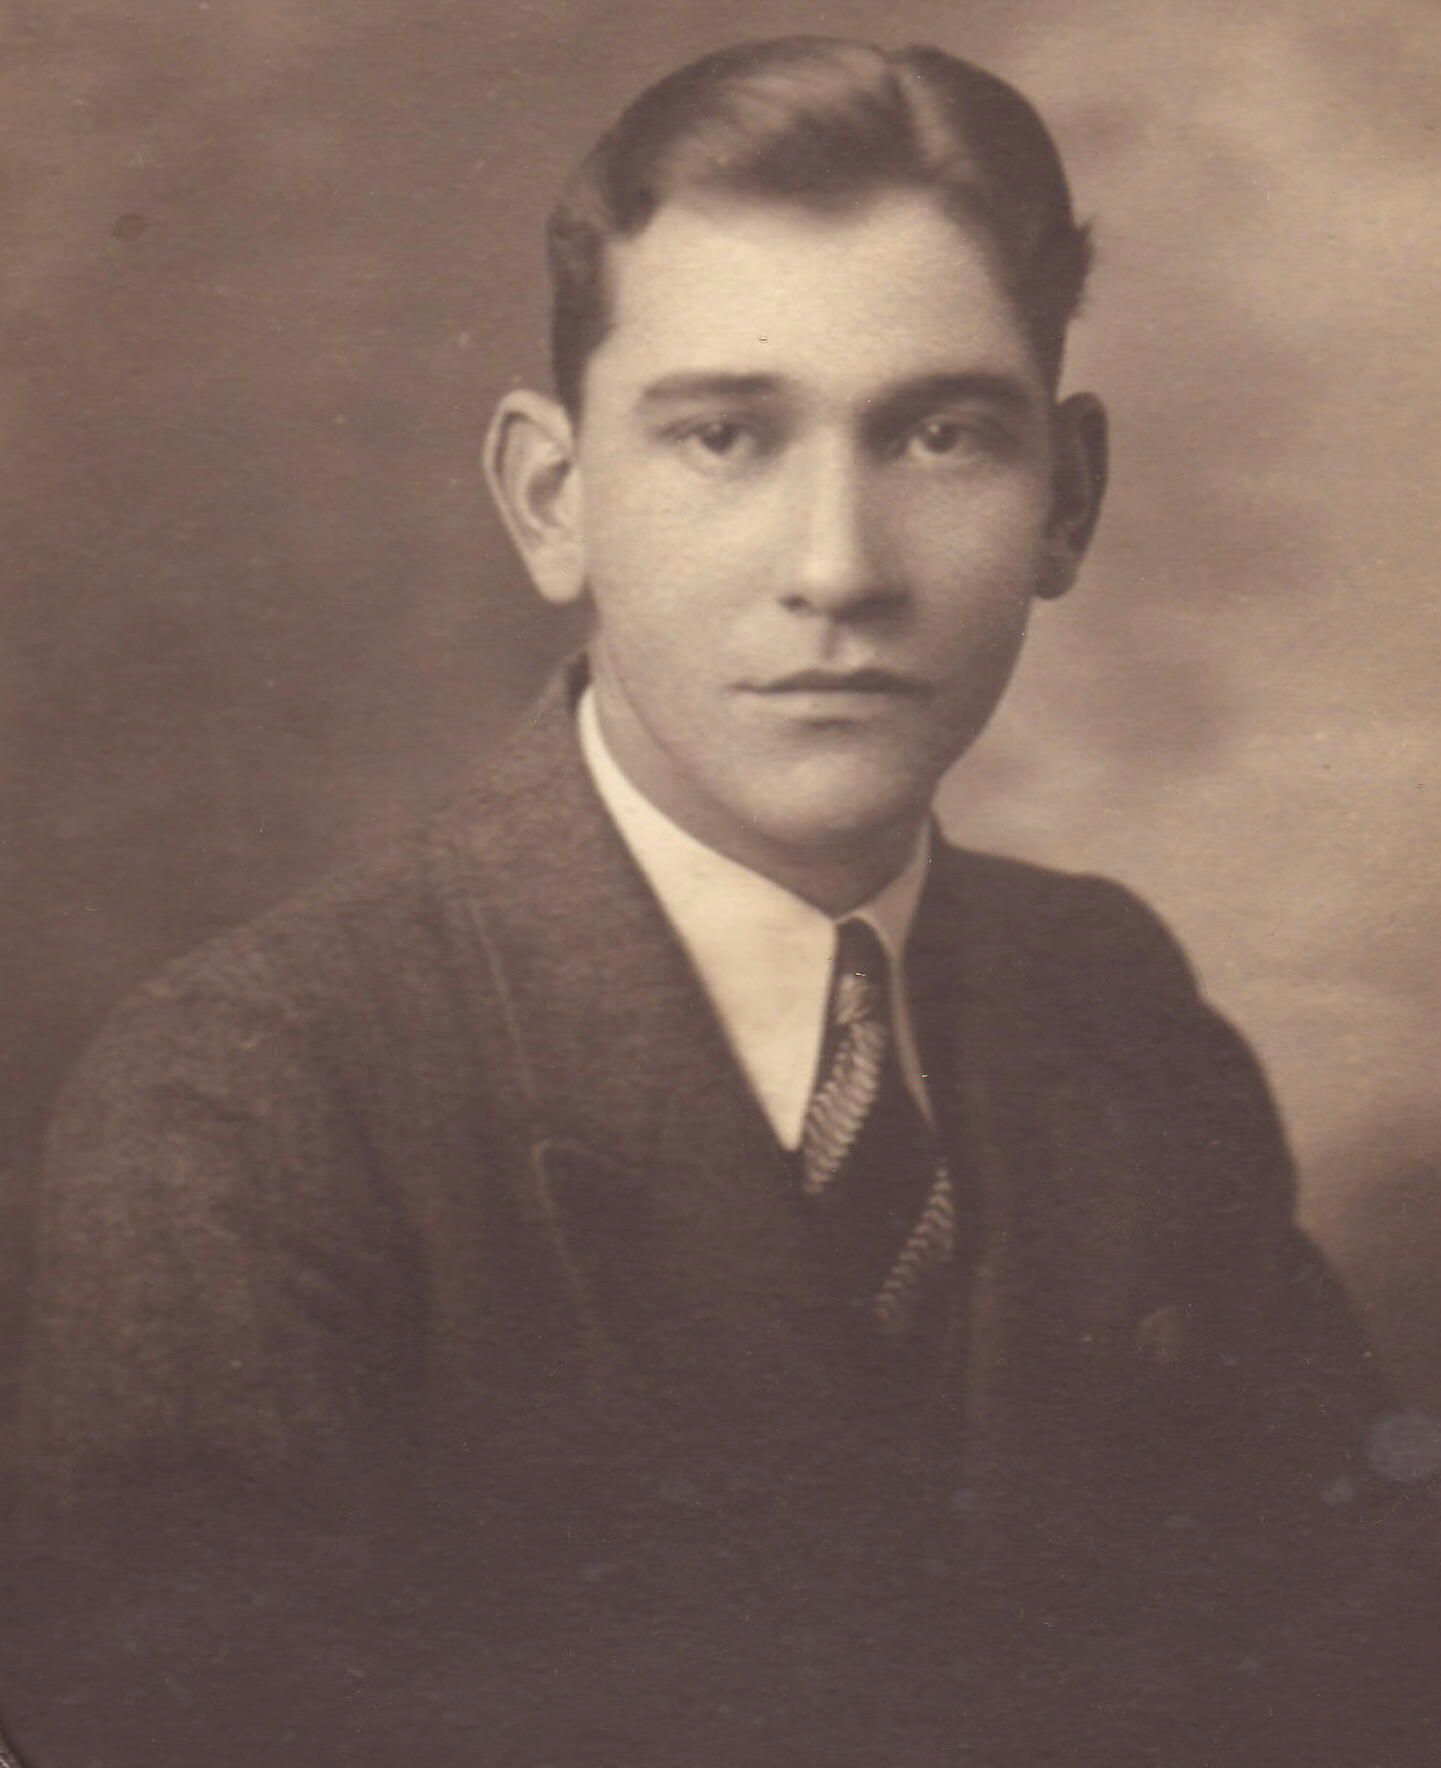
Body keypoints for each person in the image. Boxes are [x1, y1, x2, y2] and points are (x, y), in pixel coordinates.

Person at [5, 34, 1435, 1768]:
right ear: (553, 500)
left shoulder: (1109, 1003)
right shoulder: (249, 1100)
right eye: (722, 438)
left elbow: (1364, 1681)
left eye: (939, 434)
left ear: (1064, 499)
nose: (836, 566)